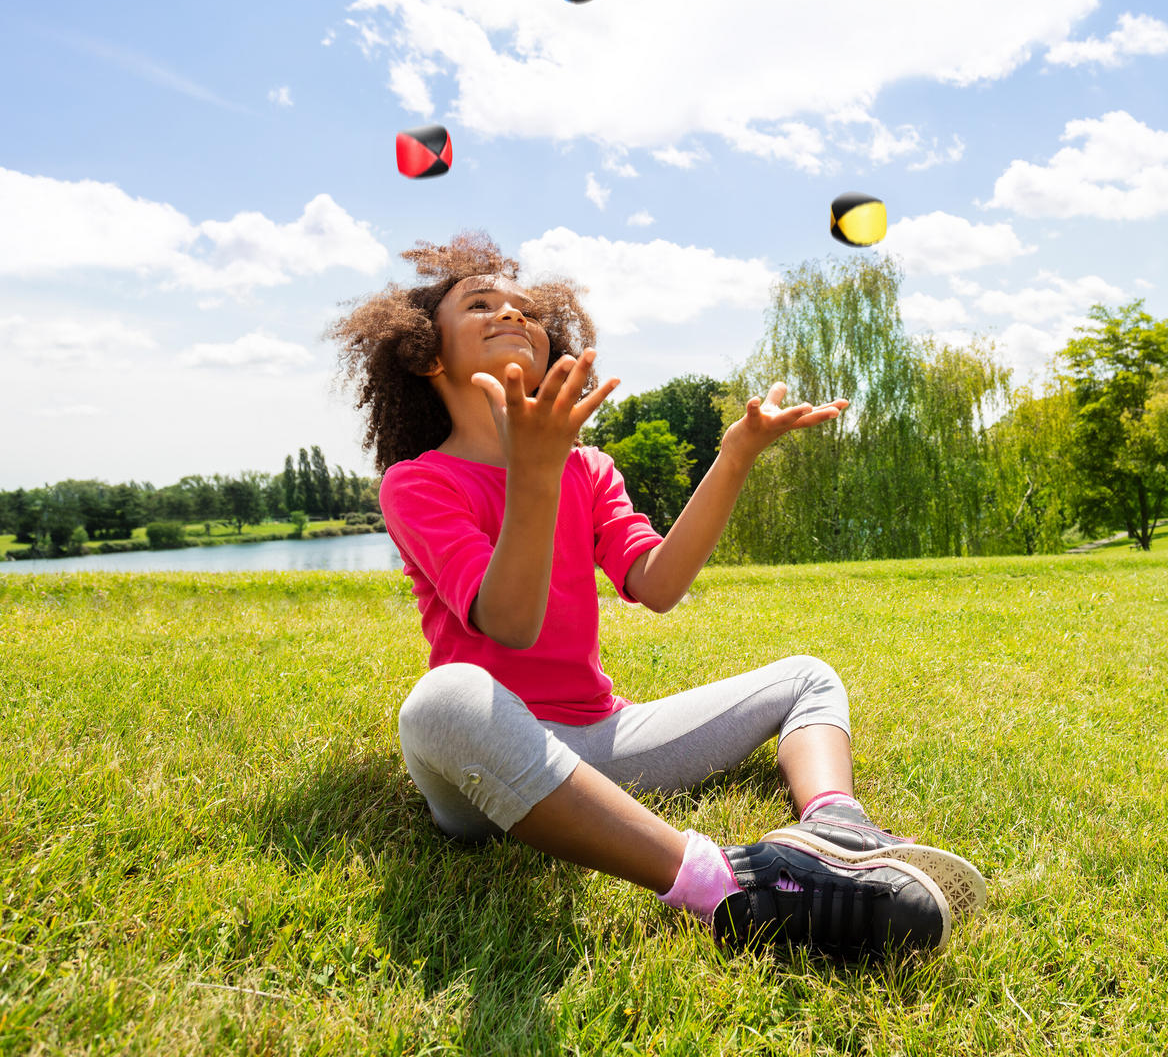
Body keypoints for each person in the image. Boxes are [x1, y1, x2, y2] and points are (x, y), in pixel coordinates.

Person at [329, 231, 984, 956]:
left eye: (525, 310)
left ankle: (837, 826)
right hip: (487, 769)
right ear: (427, 353)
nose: (512, 315)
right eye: (481, 305)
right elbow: (508, 623)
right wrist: (535, 471)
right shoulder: (419, 483)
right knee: (441, 701)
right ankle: (725, 886)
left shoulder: (589, 469)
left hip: (601, 740)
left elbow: (658, 583)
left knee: (809, 678)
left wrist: (734, 456)